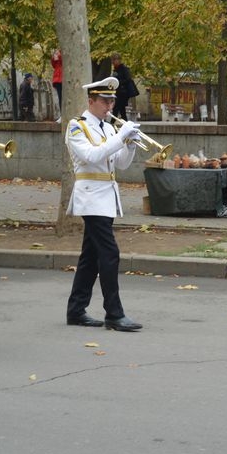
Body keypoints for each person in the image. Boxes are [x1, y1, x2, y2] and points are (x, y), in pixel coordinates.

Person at [64, 76, 143, 332]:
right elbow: (90, 156)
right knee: (110, 254)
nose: (110, 106)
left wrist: (129, 144)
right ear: (91, 100)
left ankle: (76, 310)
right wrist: (121, 138)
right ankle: (114, 313)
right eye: (105, 101)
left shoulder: (109, 128)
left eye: (112, 101)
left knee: (91, 256)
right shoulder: (77, 126)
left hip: (106, 196)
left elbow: (120, 163)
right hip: (89, 196)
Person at [110, 52, 138, 121]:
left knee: (116, 108)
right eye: (112, 60)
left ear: (118, 60)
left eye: (114, 60)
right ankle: (124, 123)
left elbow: (128, 79)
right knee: (121, 110)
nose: (112, 62)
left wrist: (118, 82)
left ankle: (112, 123)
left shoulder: (123, 69)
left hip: (123, 92)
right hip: (119, 92)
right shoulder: (116, 70)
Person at [50, 49, 63, 118]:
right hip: (57, 81)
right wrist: (53, 57)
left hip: (62, 81)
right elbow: (53, 64)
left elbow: (63, 60)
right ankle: (62, 115)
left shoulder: (62, 56)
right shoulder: (57, 62)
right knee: (60, 98)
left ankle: (63, 115)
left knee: (62, 98)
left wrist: (59, 55)